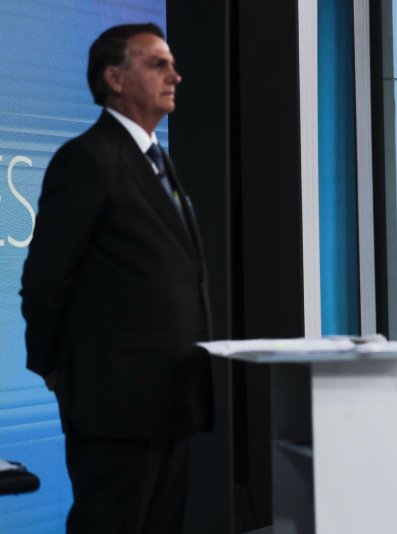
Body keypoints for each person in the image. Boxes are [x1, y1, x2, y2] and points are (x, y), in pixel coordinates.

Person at [20, 23, 212, 532]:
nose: (175, 74)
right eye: (157, 64)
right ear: (115, 78)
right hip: (113, 404)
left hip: (171, 397)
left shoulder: (158, 160)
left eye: (171, 63)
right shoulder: (86, 158)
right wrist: (51, 366)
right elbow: (44, 278)